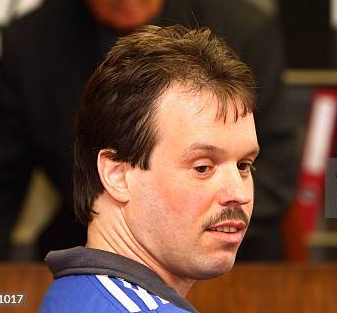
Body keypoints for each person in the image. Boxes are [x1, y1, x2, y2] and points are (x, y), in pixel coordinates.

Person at [0, 0, 295, 260]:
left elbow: (275, 171)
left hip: (231, 258)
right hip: (88, 249)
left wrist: (195, 240)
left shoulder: (243, 31)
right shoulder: (32, 45)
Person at [39, 25, 258, 312]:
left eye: (243, 165)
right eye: (203, 167)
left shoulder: (70, 294)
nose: (238, 193)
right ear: (117, 175)